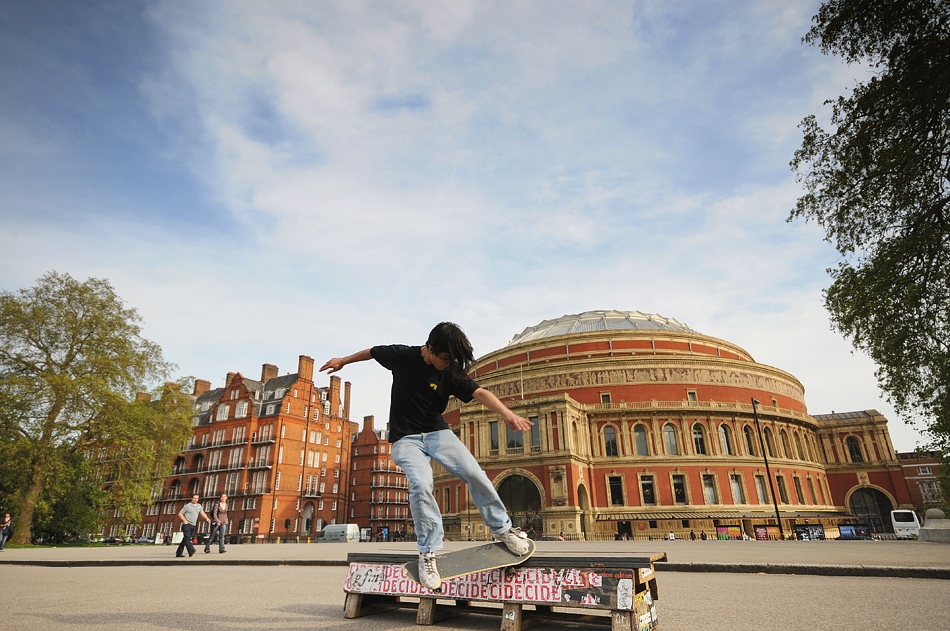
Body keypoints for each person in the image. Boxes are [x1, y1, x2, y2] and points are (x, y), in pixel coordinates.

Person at [321, 322, 534, 591]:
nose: (446, 364)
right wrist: (343, 360)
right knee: (422, 485)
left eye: (451, 360)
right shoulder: (401, 356)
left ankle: (503, 529)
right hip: (405, 439)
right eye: (444, 358)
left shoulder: (451, 370)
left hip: (437, 432)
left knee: (475, 473)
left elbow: (479, 391)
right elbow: (372, 352)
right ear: (430, 348)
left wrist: (508, 414)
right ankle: (428, 553)